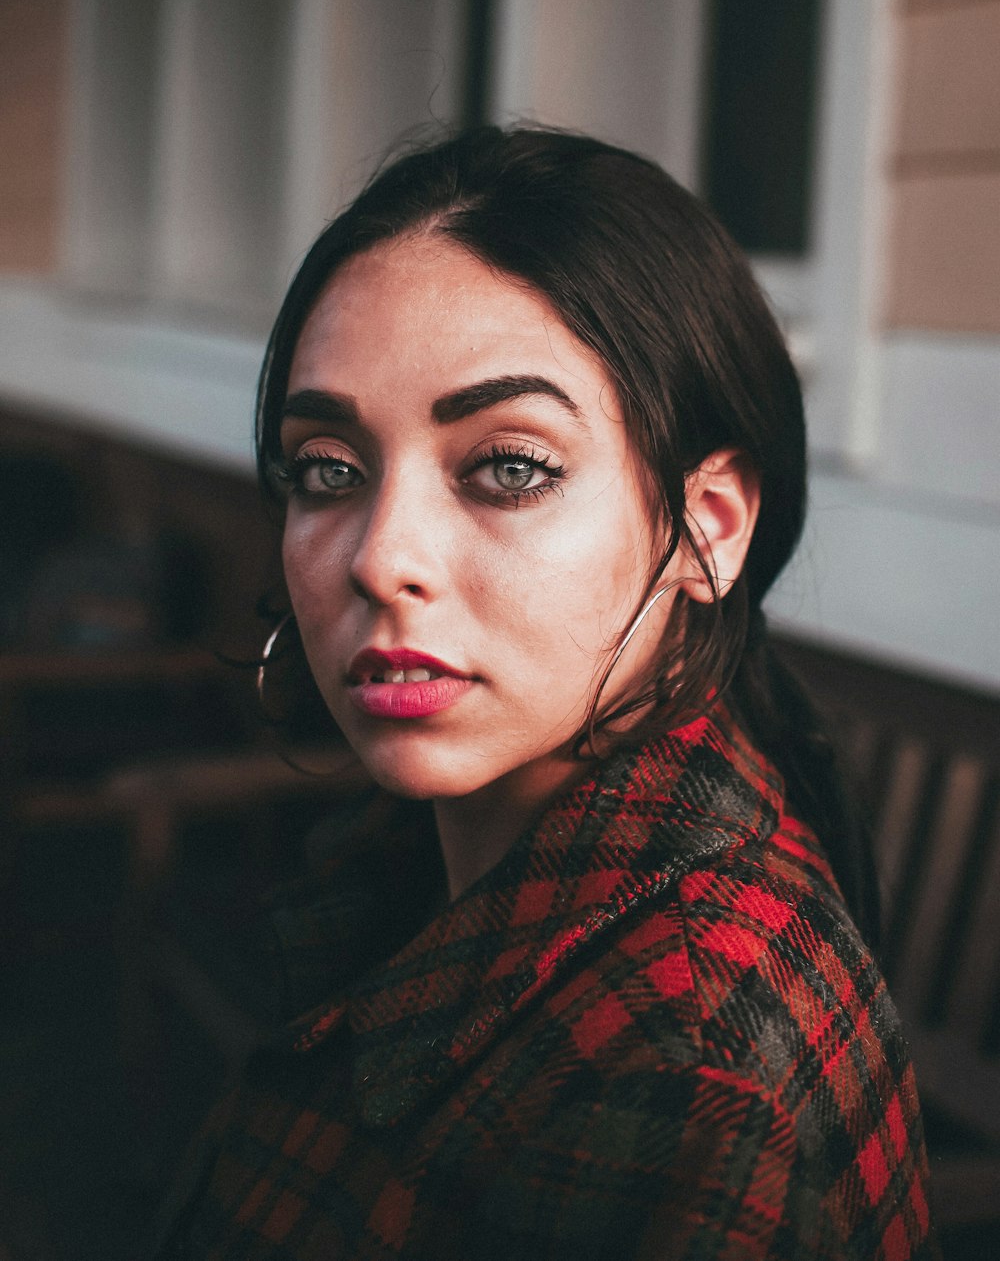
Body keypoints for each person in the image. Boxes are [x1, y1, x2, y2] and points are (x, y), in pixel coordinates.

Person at [155, 126, 936, 1259]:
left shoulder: (685, 1069)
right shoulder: (437, 862)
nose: (380, 557)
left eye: (508, 467)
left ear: (705, 527)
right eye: (327, 470)